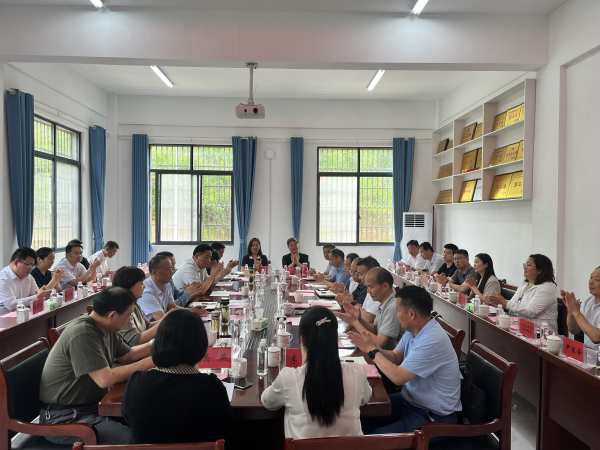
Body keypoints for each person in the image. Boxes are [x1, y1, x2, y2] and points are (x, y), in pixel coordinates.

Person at [39, 287, 154, 445]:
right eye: (128, 316)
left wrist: (159, 346)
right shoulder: (83, 332)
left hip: (90, 407)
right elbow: (105, 379)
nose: (129, 320)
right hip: (64, 418)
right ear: (112, 315)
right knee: (130, 439)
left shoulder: (106, 327)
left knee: (147, 422)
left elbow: (129, 355)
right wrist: (152, 361)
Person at [349, 285, 461, 435]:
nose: (397, 315)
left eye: (398, 311)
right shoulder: (414, 330)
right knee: (357, 416)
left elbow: (398, 378)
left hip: (434, 417)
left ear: (411, 314)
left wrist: (372, 350)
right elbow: (395, 357)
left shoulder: (432, 340)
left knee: (375, 437)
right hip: (410, 402)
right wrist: (372, 346)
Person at [122, 310, 233, 444]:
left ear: (158, 342)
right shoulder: (212, 387)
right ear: (201, 345)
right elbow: (226, 431)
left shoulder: (136, 383)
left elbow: (128, 420)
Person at [261, 306, 371, 439]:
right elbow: (365, 398)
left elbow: (267, 402)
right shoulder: (357, 372)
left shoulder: (289, 378)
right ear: (335, 338)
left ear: (302, 340)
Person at [484, 254, 558, 333]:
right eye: (525, 264)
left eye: (528, 265)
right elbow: (512, 303)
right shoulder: (525, 284)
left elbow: (531, 311)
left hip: (541, 332)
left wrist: (504, 302)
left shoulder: (547, 288)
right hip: (521, 326)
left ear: (539, 270)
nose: (524, 267)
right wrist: (500, 302)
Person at [336, 268, 402, 350]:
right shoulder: (384, 302)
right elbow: (375, 328)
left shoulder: (393, 307)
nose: (368, 291)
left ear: (385, 286)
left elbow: (380, 342)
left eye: (371, 287)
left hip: (387, 355)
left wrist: (355, 322)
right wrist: (359, 320)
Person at [112, 266, 161, 346]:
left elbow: (148, 325)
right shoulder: (120, 309)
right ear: (129, 285)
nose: (144, 287)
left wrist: (168, 320)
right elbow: (135, 341)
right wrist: (163, 323)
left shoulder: (134, 303)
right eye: (141, 283)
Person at [0, 247, 54, 315]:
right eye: (28, 265)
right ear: (16, 262)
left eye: (33, 266)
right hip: (4, 318)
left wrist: (42, 294)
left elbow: (37, 296)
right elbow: (11, 305)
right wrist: (37, 296)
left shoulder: (29, 277)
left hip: (24, 315)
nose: (31, 268)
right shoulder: (3, 278)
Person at [562, 266, 600, 350]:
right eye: (591, 277)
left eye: (597, 279)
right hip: (587, 353)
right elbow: (574, 330)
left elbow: (597, 337)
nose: (590, 282)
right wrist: (571, 310)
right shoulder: (588, 300)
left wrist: (576, 312)